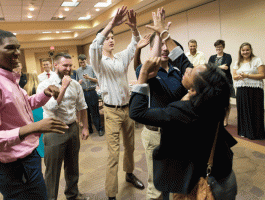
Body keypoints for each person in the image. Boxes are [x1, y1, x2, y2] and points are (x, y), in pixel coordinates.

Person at [136, 8, 238, 199]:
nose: (188, 69)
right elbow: (183, 60)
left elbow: (138, 113)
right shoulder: (213, 100)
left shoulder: (186, 110)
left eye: (192, 72)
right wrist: (164, 34)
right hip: (227, 177)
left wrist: (142, 76)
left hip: (213, 187)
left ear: (195, 89)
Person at [0, 29, 68, 199]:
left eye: (17, 48)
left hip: (29, 157)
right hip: (12, 168)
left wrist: (45, 93)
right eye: (10, 48)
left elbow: (25, 105)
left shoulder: (8, 79)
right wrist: (31, 128)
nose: (16, 53)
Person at [89, 6, 144, 200]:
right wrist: (110, 24)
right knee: (113, 154)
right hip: (111, 112)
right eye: (107, 38)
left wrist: (134, 29)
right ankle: (111, 194)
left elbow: (135, 44)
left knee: (130, 147)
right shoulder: (99, 63)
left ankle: (129, 175)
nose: (111, 39)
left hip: (127, 109)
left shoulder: (121, 57)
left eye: (112, 37)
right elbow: (93, 47)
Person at [134, 30, 190, 200]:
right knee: (157, 186)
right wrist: (156, 36)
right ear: (152, 49)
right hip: (155, 135)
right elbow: (141, 70)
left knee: (176, 180)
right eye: (160, 45)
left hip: (177, 133)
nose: (165, 49)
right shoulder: (148, 72)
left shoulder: (179, 72)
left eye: (167, 44)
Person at [37, 52, 90, 200]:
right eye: (64, 65)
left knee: (73, 166)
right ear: (56, 65)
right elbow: (51, 107)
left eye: (70, 65)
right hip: (54, 129)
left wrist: (85, 127)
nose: (68, 68)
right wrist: (64, 87)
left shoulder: (75, 85)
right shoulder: (45, 85)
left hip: (72, 128)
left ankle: (72, 195)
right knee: (52, 170)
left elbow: (82, 106)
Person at [232, 43, 265, 140]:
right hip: (241, 90)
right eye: (243, 50)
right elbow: (234, 76)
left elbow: (262, 75)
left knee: (255, 111)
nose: (245, 52)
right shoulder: (238, 62)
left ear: (251, 50)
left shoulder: (257, 60)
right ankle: (244, 131)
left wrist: (247, 76)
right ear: (240, 51)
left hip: (255, 90)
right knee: (244, 111)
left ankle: (256, 133)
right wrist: (238, 77)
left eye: (247, 50)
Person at [75, 54, 104, 136]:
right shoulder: (78, 71)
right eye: (80, 63)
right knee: (85, 112)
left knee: (95, 112)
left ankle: (99, 129)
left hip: (92, 92)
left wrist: (89, 78)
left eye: (83, 62)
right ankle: (89, 129)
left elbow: (98, 80)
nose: (82, 64)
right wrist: (78, 83)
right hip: (83, 93)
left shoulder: (91, 68)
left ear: (86, 60)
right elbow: (76, 83)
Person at [208, 39, 234, 127]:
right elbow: (209, 67)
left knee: (227, 101)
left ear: (223, 47)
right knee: (216, 101)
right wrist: (220, 66)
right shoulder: (212, 57)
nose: (218, 48)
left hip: (226, 81)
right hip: (215, 81)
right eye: (217, 47)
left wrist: (215, 66)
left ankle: (226, 119)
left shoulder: (228, 56)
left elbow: (226, 68)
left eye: (220, 46)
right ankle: (218, 118)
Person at [24, 72, 45, 157]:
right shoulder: (40, 86)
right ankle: (44, 150)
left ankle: (38, 150)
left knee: (35, 131)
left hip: (32, 110)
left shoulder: (26, 87)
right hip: (40, 109)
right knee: (43, 130)